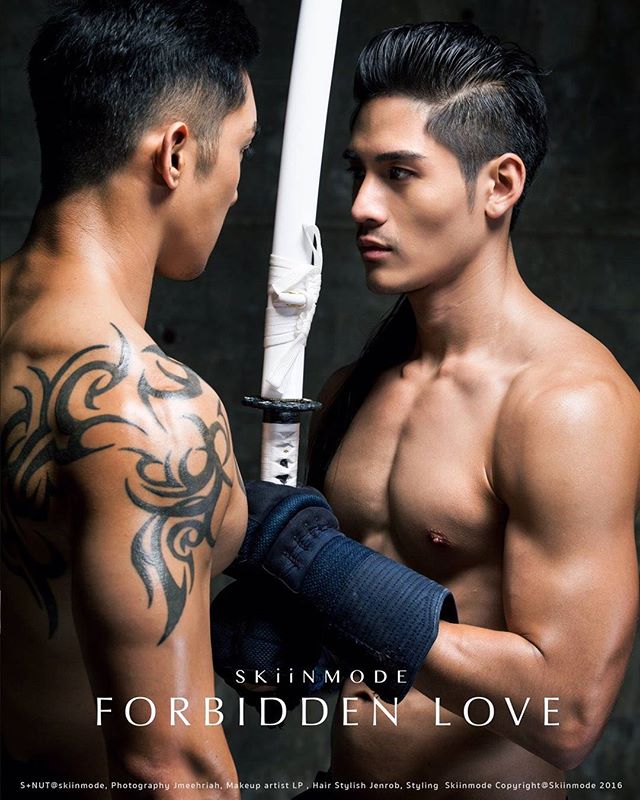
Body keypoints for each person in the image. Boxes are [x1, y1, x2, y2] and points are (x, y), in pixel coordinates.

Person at [217, 22, 639, 800]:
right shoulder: (351, 390)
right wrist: (282, 633)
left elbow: (568, 714)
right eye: (358, 173)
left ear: (500, 185)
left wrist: (322, 572)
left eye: (400, 174)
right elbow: (347, 628)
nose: (362, 207)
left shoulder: (567, 406)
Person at [1, 1, 258, 796]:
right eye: (243, 148)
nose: (239, 185)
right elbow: (171, 767)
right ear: (176, 153)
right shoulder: (148, 410)